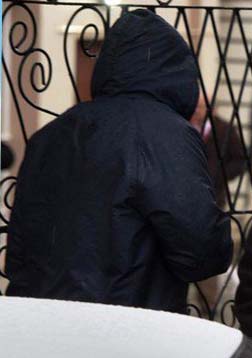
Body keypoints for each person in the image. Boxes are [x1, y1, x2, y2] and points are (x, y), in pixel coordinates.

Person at [5, 10, 233, 312]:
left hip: (40, 321)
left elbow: (18, 252)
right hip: (125, 326)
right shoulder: (164, 133)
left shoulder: (50, 134)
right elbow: (202, 251)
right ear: (178, 72)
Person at [189, 92, 246, 208]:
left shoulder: (225, 130)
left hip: (214, 196)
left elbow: (240, 161)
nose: (196, 111)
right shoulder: (184, 127)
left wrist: (219, 175)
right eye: (194, 106)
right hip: (186, 194)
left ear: (212, 109)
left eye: (200, 107)